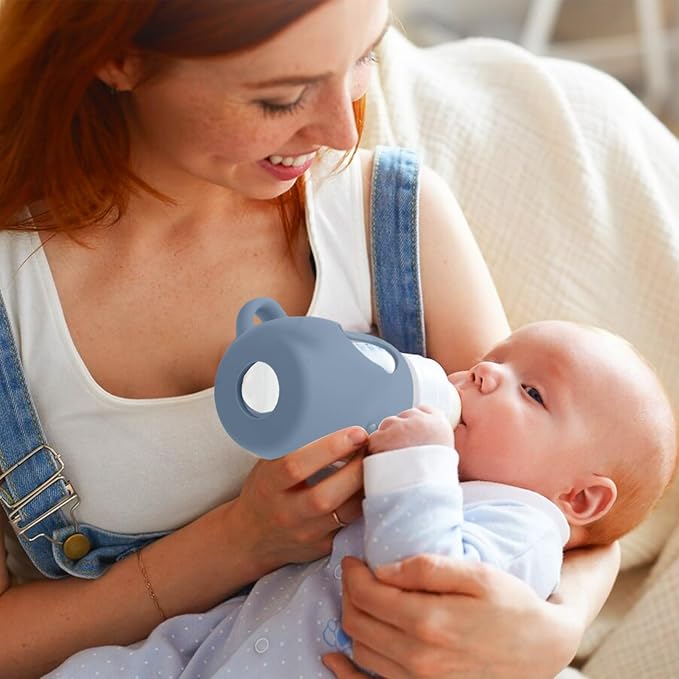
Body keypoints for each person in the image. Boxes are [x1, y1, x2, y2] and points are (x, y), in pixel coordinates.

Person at [0, 2, 620, 678]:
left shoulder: (391, 221)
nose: (340, 129)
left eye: (363, 57)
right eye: (281, 96)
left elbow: (564, 495)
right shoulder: (17, 298)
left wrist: (553, 630)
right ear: (118, 57)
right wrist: (240, 542)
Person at [45, 319, 677, 678]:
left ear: (580, 499)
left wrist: (417, 461)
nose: (484, 373)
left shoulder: (525, 526)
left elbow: (426, 578)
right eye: (494, 359)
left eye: (532, 393)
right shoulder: (449, 472)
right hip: (216, 646)